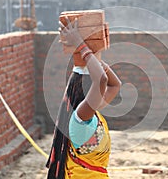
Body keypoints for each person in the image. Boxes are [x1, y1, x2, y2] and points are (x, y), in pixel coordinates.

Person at [46, 17, 121, 179]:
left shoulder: (91, 113)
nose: (98, 92)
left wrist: (96, 54)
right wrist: (80, 44)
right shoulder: (80, 119)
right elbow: (102, 80)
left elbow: (115, 85)